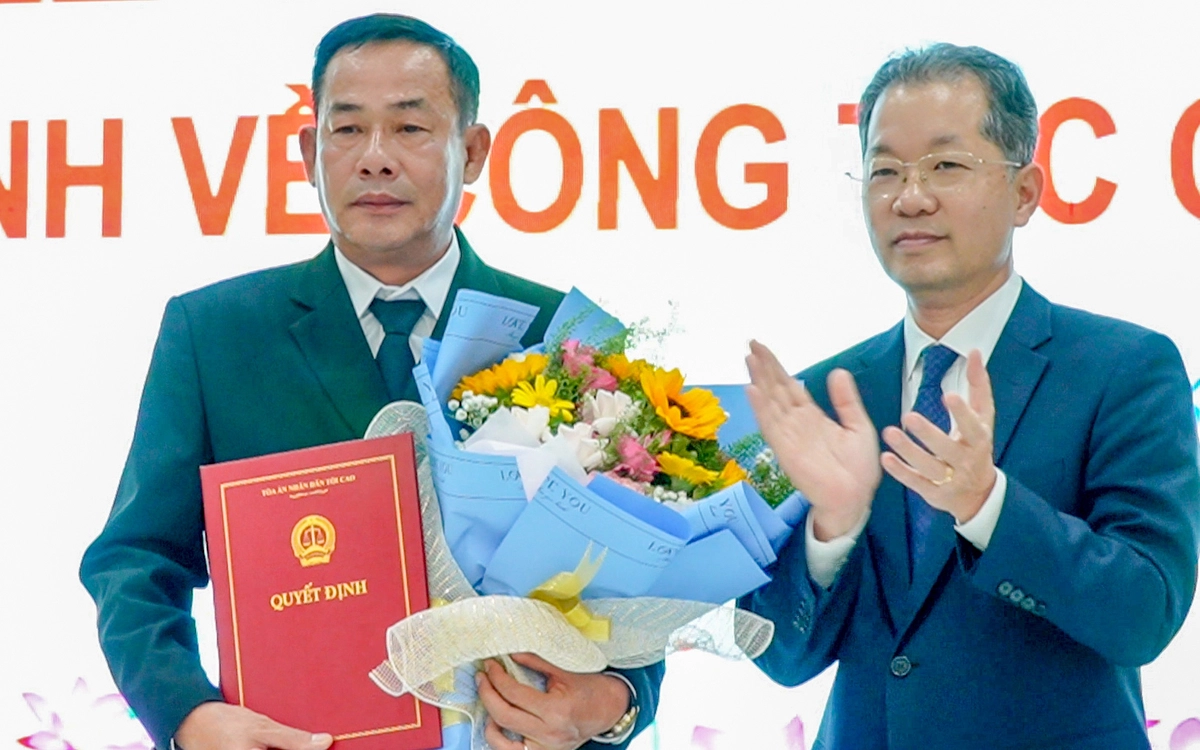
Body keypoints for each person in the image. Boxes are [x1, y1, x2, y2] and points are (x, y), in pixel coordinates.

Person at [79, 14, 659, 750]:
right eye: (347, 129)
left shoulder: (563, 338)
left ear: (472, 151)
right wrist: (187, 715)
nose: (375, 159)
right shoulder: (215, 333)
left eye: (410, 128)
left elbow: (637, 573)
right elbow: (135, 559)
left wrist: (617, 702)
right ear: (308, 153)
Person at [740, 44, 1200, 749]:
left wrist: (988, 505)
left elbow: (1145, 612)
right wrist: (831, 530)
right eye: (885, 171)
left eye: (946, 166)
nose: (910, 197)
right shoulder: (827, 395)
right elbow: (777, 652)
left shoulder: (1124, 369)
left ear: (1025, 192)